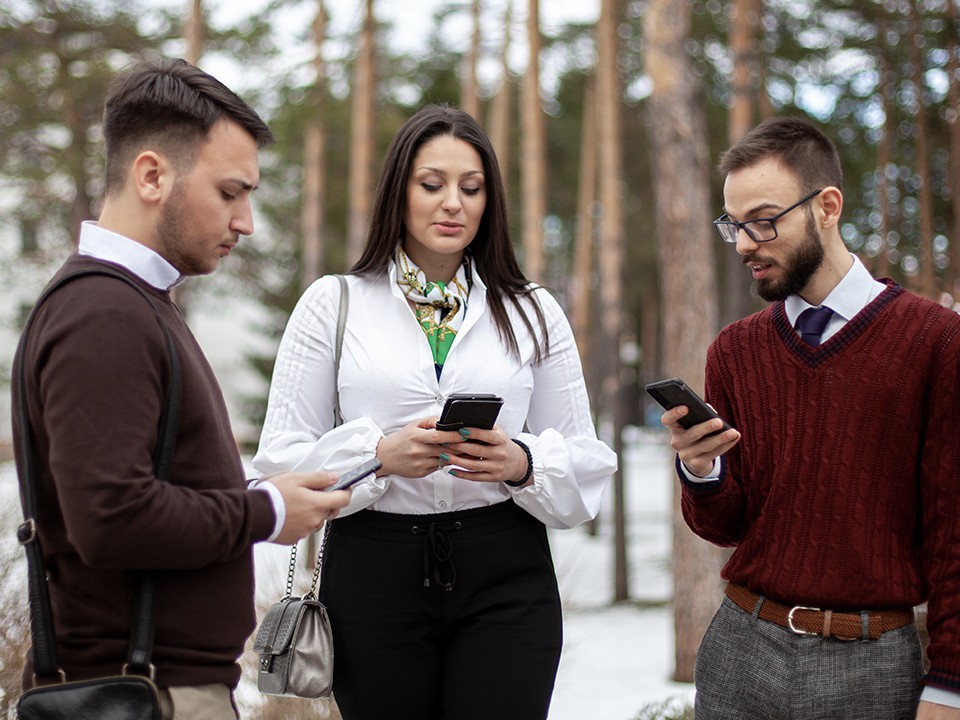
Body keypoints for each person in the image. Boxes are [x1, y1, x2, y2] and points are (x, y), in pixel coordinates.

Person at [11, 58, 351, 720]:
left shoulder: (130, 305)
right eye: (230, 193)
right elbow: (112, 519)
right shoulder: (104, 315)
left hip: (149, 689)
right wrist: (267, 513)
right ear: (151, 175)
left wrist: (256, 498)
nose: (246, 221)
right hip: (142, 696)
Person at [253, 104, 617, 720]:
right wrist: (377, 456)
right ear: (399, 191)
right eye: (432, 184)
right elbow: (281, 462)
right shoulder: (332, 304)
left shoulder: (533, 310)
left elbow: (582, 461)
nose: (453, 203)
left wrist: (521, 461)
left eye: (471, 188)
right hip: (372, 572)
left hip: (506, 568)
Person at [662, 116, 960, 720]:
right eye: (734, 225)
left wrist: (950, 682)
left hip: (875, 666)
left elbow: (956, 532)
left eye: (763, 221)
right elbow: (727, 525)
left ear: (827, 206)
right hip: (741, 651)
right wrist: (702, 470)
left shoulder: (937, 342)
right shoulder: (735, 350)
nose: (745, 243)